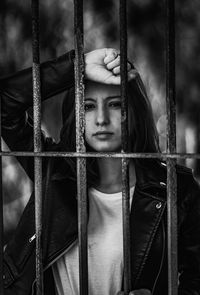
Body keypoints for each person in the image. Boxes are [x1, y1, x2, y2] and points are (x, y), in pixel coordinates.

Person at [0, 48, 200, 295]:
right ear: (76, 115)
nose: (101, 119)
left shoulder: (177, 189)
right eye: (89, 106)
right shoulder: (54, 170)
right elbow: (5, 103)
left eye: (115, 104)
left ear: (134, 113)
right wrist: (77, 66)